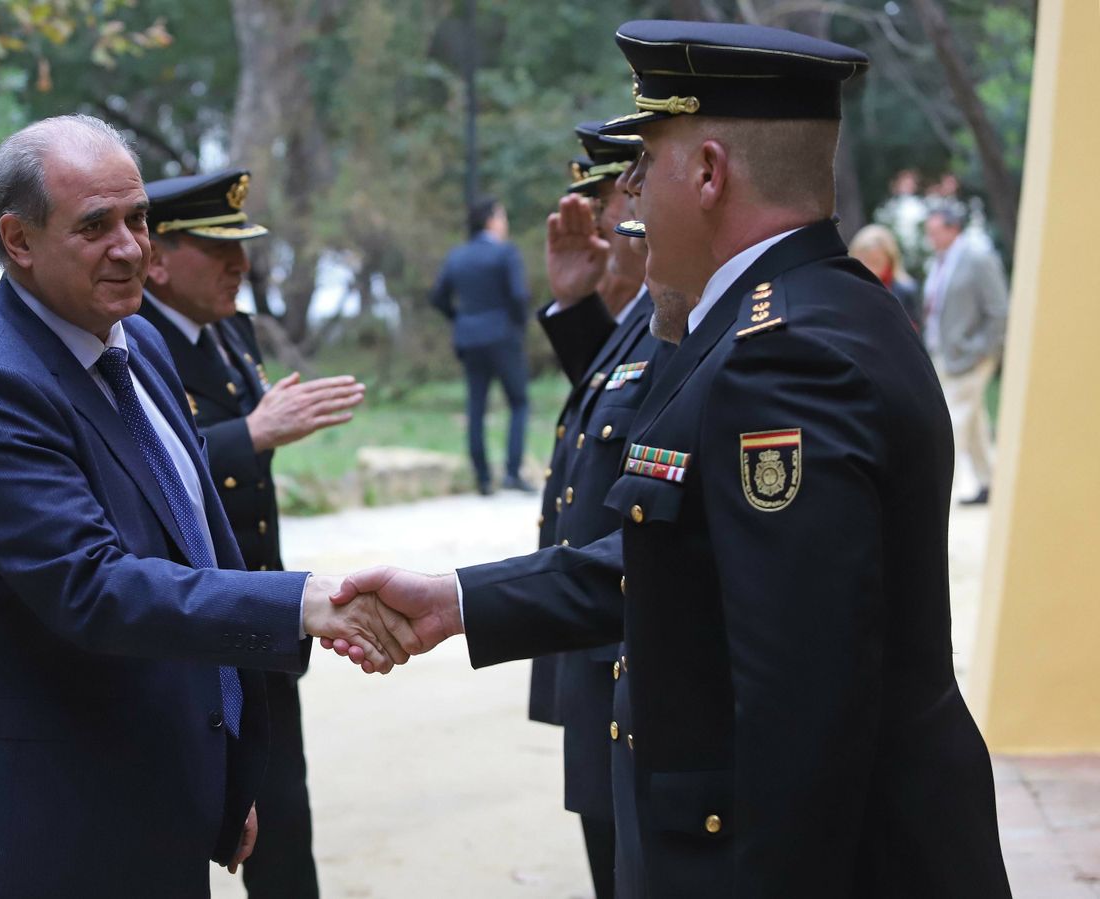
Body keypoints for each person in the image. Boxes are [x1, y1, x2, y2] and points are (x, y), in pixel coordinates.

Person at [329, 20, 1012, 899]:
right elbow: (681, 554)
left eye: (647, 163)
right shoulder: (799, 312)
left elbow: (802, 704)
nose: (631, 195)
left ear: (710, 173)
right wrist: (459, 600)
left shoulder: (784, 356)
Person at [0, 115, 407, 896]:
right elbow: (93, 586)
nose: (131, 248)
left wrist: (221, 768)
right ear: (18, 239)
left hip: (145, 784)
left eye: (138, 219)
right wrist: (302, 602)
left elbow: (191, 545)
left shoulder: (137, 345)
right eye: (96, 226)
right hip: (34, 822)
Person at [137, 168, 365, 899]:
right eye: (217, 248)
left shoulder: (229, 330)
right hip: (188, 619)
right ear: (157, 260)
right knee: (172, 829)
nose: (239, 264)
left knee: (283, 816)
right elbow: (145, 471)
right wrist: (251, 434)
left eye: (241, 247)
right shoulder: (132, 342)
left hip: (259, 614)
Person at [525, 119, 668, 899]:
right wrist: (579, 306)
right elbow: (610, 412)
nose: (597, 219)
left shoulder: (677, 311)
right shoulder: (644, 312)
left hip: (621, 648)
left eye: (605, 198)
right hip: (596, 644)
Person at [430, 195, 532, 495]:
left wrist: (461, 319)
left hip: (469, 339)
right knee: (519, 402)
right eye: (502, 217)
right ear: (490, 220)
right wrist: (518, 325)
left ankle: (483, 479)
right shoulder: (506, 253)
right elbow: (518, 295)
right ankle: (512, 472)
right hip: (503, 336)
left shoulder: (457, 256)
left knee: (476, 407)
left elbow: (437, 297)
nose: (505, 223)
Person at [922, 204, 1008, 505]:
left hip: (972, 357)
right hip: (945, 355)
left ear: (953, 228)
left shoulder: (977, 259)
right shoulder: (938, 262)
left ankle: (940, 493)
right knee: (973, 423)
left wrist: (982, 350)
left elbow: (999, 310)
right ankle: (988, 483)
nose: (930, 237)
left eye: (935, 231)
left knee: (952, 423)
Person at [848, 223, 923, 329]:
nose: (870, 269)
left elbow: (914, 332)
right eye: (865, 262)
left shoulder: (906, 291)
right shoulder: (848, 290)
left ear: (890, 260)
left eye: (876, 262)